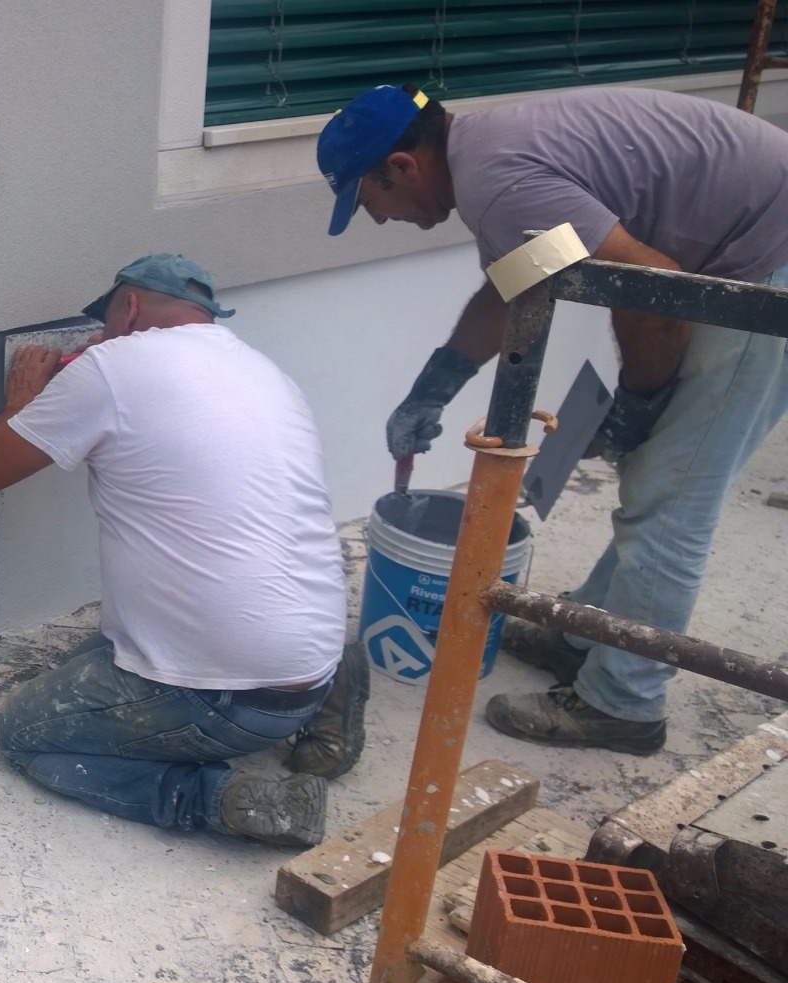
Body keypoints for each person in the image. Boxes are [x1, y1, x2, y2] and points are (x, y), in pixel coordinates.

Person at [319, 85, 788, 755]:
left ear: (402, 165)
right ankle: (585, 635)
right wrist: (435, 386)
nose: (376, 218)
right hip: (752, 243)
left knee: (672, 498)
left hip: (768, 264)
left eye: (368, 199)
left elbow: (651, 286)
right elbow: (520, 283)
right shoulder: (489, 159)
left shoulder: (499, 182)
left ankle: (624, 704)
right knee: (659, 481)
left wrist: (639, 404)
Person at [0, 254, 362, 848]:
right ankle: (331, 697)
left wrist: (22, 403)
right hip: (315, 655)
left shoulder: (110, 366)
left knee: (26, 731)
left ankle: (223, 799)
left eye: (106, 322)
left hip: (232, 700)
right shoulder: (264, 371)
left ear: (127, 308)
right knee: (100, 652)